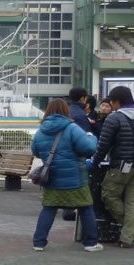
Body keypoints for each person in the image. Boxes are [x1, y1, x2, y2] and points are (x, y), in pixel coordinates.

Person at [31, 98, 102, 252]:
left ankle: (39, 242)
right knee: (86, 208)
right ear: (65, 111)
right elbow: (89, 148)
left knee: (49, 209)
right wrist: (92, 136)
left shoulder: (41, 130)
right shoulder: (72, 128)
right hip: (75, 178)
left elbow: (36, 151)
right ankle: (91, 243)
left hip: (52, 178)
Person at [92, 86, 134, 248]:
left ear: (117, 101)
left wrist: (95, 161)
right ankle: (128, 238)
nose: (111, 105)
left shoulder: (114, 118)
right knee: (133, 202)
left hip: (121, 165)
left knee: (109, 196)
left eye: (111, 102)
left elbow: (104, 144)